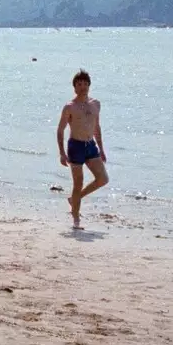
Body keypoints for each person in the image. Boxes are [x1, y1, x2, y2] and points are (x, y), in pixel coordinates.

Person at [56, 69, 109, 228]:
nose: (83, 87)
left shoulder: (96, 104)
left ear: (89, 86)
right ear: (74, 87)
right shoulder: (69, 107)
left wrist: (101, 149)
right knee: (78, 183)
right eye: (79, 84)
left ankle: (75, 199)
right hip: (76, 146)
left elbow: (96, 127)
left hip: (90, 145)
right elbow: (60, 130)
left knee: (103, 179)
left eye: (85, 84)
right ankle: (76, 219)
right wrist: (62, 153)